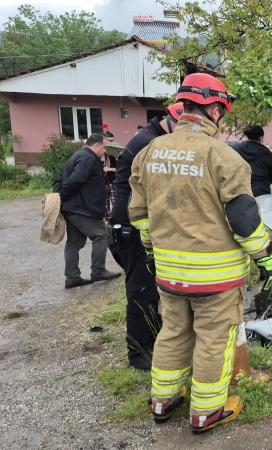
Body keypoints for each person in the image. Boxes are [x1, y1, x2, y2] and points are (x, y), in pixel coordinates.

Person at [129, 73, 272, 433]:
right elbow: (243, 219)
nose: (221, 120)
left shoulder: (149, 152)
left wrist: (154, 250)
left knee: (173, 332)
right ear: (213, 109)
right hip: (216, 278)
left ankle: (163, 400)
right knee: (214, 339)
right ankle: (206, 412)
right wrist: (266, 258)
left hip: (169, 273)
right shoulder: (222, 156)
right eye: (222, 113)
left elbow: (140, 215)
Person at [110, 102, 183, 371]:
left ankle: (152, 340)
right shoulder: (149, 145)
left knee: (150, 288)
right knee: (141, 290)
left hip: (137, 224)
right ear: (170, 121)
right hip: (131, 226)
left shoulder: (155, 138)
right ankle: (139, 353)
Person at [53, 133, 121, 289]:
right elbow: (72, 181)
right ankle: (98, 271)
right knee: (101, 234)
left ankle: (72, 278)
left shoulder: (78, 155)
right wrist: (61, 196)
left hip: (73, 208)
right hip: (83, 209)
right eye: (104, 147)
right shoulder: (89, 159)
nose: (104, 151)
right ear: (96, 145)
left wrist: (61, 199)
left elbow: (61, 178)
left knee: (74, 242)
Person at [229, 124, 272, 196]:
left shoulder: (235, 150)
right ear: (260, 138)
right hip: (262, 193)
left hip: (240, 193)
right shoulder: (268, 155)